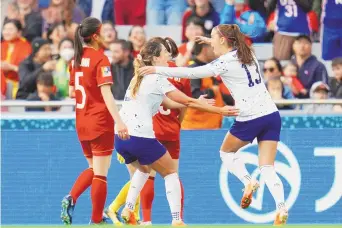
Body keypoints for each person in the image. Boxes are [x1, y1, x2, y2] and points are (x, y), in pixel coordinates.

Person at [139, 24, 289, 225]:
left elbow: (193, 73)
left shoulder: (224, 63)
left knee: (226, 153)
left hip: (250, 116)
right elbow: (230, 46)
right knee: (267, 166)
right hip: (271, 114)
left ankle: (247, 181)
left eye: (213, 38)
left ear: (223, 40)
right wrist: (211, 41)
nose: (210, 43)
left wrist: (157, 69)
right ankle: (281, 207)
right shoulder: (249, 53)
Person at [112, 36, 238, 226]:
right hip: (140, 137)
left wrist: (196, 103)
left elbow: (170, 102)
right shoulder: (157, 77)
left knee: (144, 169)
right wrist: (219, 110)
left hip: (121, 138)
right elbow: (186, 101)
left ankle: (129, 208)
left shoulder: (138, 77)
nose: (168, 57)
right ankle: (177, 220)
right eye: (165, 54)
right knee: (171, 173)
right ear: (155, 59)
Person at [60, 17, 128, 225]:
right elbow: (107, 94)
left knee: (93, 168)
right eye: (103, 32)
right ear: (96, 36)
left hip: (82, 121)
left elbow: (72, 92)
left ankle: (71, 197)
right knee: (101, 173)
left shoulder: (76, 60)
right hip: (100, 121)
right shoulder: (101, 59)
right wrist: (119, 121)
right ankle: (96, 219)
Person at [1, 19, 32, 99]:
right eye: (5, 29)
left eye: (10, 29)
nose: (6, 32)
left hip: (18, 84)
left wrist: (11, 67)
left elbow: (29, 70)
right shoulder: (2, 45)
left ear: (19, 32)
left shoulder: (26, 46)